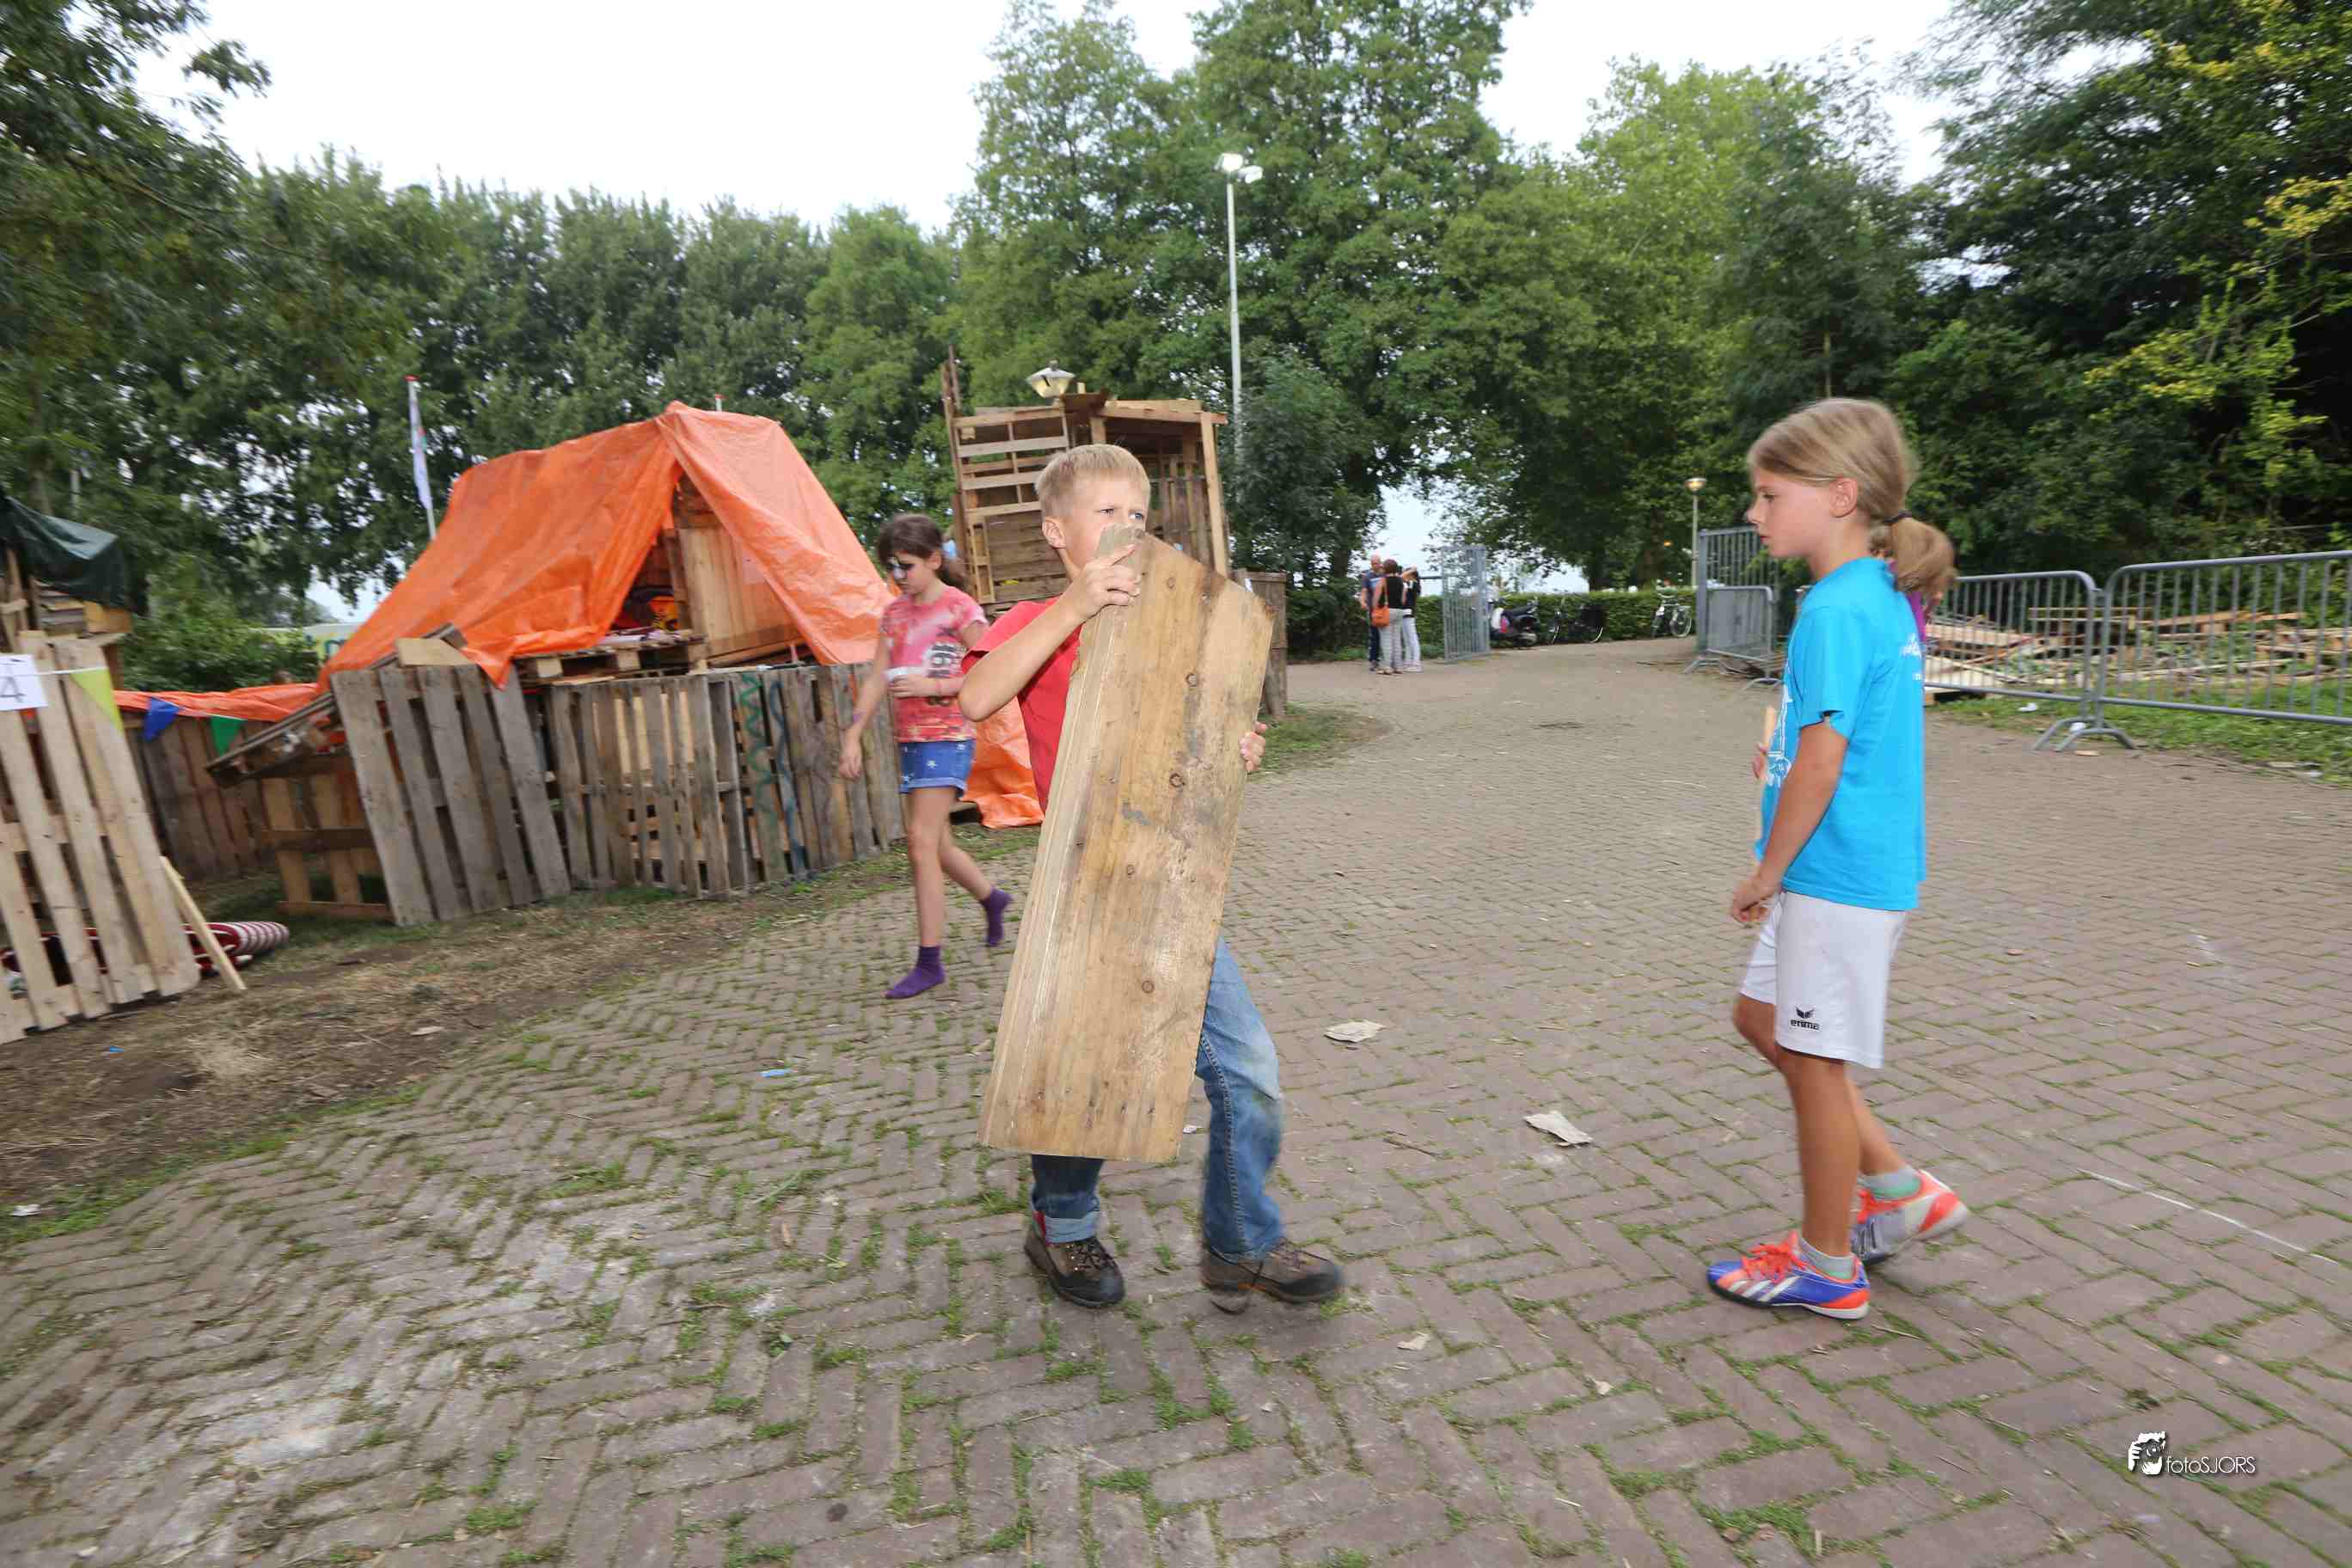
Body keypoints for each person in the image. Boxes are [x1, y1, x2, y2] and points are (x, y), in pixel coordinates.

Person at [959, 444, 1344, 1314]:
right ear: (1056, 531)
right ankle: (1062, 1228)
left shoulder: (1173, 620)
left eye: (1138, 514)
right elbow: (977, 696)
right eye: (1107, 513)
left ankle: (1241, 1246)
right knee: (1081, 1074)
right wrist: (1076, 604)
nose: (1128, 528)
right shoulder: (1040, 617)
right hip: (1086, 889)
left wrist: (1235, 745)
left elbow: (1193, 732)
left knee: (1247, 1070)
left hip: (1175, 884)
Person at [1706, 398, 1967, 1320]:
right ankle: (1897, 1191)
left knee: (1814, 1061)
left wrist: (1766, 872)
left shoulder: (1836, 607)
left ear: (1840, 495)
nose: (1755, 513)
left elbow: (1824, 763)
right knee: (1761, 1019)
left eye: (1769, 495)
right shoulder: (1877, 596)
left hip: (1836, 874)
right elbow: (1839, 737)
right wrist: (1781, 760)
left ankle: (1827, 1265)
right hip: (1844, 867)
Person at [841, 514, 1014, 1000]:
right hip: (911, 741)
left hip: (949, 737)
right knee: (936, 845)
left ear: (934, 559)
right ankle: (992, 898)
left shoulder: (960, 609)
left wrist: (932, 686)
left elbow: (992, 670)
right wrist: (852, 735)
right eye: (892, 567)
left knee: (919, 842)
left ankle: (929, 962)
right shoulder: (894, 615)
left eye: (907, 566)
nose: (899, 576)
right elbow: (876, 677)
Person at [1375, 559, 1409, 673]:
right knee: (1396, 639)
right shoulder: (1401, 581)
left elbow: (1376, 598)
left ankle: (1387, 667)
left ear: (1385, 569)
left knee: (1386, 639)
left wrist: (1375, 610)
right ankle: (1398, 666)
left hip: (1386, 611)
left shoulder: (1383, 581)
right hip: (1399, 611)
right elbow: (1403, 600)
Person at [1358, 556, 1387, 673]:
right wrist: (1362, 601)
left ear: (1381, 563)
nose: (1375, 565)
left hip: (1385, 609)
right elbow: (1364, 591)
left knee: (1386, 635)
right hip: (1373, 610)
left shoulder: (1385, 575)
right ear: (1371, 564)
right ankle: (1374, 660)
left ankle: (1389, 661)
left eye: (1377, 563)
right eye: (1373, 563)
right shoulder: (1367, 577)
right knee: (1374, 636)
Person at [1397, 567, 1424, 671]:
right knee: (1407, 640)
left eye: (1406, 573)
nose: (1404, 574)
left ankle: (1416, 664)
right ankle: (1408, 662)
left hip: (1409, 613)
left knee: (1413, 639)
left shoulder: (1413, 583)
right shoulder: (1408, 583)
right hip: (1404, 613)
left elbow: (1400, 578)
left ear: (1411, 574)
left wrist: (1410, 571)